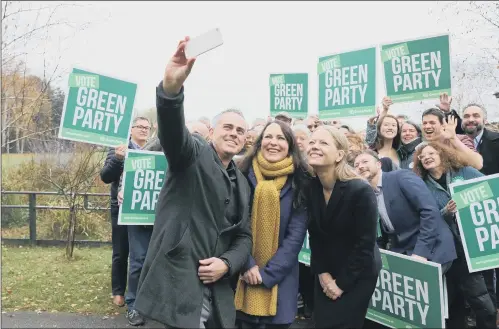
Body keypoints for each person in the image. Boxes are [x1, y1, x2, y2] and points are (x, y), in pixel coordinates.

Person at [134, 36, 252, 329]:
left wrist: (226, 263)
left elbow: (244, 237)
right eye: (227, 127)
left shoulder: (244, 184)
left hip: (217, 300)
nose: (234, 133)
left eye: (240, 130)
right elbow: (173, 132)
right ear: (211, 132)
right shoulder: (191, 156)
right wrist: (171, 89)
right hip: (173, 291)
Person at [412, 142, 497, 328]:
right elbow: (429, 217)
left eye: (431, 153)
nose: (426, 157)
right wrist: (447, 211)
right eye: (421, 156)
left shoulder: (464, 172)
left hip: (478, 241)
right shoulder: (422, 185)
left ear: (442, 154)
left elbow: (490, 189)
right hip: (452, 247)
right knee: (470, 295)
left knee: (486, 291)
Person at [234, 120, 310, 329]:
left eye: (281, 138)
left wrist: (266, 275)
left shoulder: (301, 179)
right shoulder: (241, 172)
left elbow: (295, 236)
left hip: (280, 280)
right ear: (259, 142)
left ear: (290, 145)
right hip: (242, 274)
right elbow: (235, 223)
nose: (273, 142)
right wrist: (247, 265)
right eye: (268, 136)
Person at [306, 126, 381, 328]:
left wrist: (341, 284)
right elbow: (315, 236)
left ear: (339, 155)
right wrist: (322, 273)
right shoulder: (311, 187)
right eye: (312, 142)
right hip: (326, 272)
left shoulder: (359, 190)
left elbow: (365, 244)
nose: (314, 146)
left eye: (323, 143)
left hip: (357, 274)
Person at [353, 150, 456, 268]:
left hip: (433, 248)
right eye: (356, 165)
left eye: (365, 162)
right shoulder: (368, 195)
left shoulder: (401, 177)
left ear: (378, 164)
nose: (360, 166)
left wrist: (421, 253)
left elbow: (429, 211)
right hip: (405, 252)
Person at [99, 116, 151, 309]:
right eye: (140, 126)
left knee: (142, 254)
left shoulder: (153, 151)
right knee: (121, 251)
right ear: (131, 129)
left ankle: (140, 291)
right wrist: (119, 160)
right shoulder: (118, 148)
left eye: (147, 127)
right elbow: (105, 176)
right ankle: (119, 291)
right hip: (120, 208)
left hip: (143, 210)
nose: (144, 130)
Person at [461, 103, 499, 324]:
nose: (471, 119)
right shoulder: (456, 143)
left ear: (484, 118)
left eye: (476, 115)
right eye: (466, 116)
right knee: (480, 271)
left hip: (493, 212)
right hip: (470, 216)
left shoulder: (496, 141)